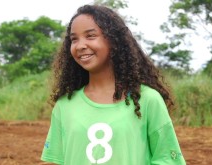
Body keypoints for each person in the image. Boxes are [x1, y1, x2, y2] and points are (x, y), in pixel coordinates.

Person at [41, 4, 186, 165]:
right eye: (74, 39)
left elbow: (167, 159)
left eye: (90, 36)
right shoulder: (65, 105)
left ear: (114, 40)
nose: (80, 45)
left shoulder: (147, 99)